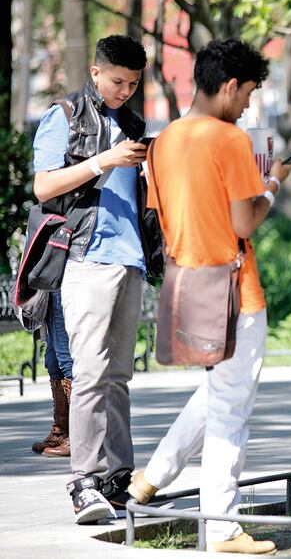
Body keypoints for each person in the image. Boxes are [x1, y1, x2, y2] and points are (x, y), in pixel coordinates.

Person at [124, 39, 291, 555]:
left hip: (187, 281)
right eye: (247, 93)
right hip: (234, 288)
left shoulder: (165, 140)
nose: (247, 105)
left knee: (220, 388)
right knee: (231, 409)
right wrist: (273, 186)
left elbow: (169, 212)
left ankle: (150, 478)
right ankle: (222, 527)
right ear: (227, 85)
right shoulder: (230, 139)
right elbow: (244, 222)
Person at [31, 35, 163, 524]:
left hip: (129, 259)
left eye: (132, 83)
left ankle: (117, 478)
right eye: (116, 81)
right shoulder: (65, 115)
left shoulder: (130, 122)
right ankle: (83, 481)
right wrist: (101, 161)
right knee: (89, 373)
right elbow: (44, 186)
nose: (124, 90)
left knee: (118, 376)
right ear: (94, 72)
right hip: (85, 257)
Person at [30, 292, 73, 458]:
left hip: (65, 282)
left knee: (66, 358)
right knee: (53, 361)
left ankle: (78, 437)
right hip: (51, 285)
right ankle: (61, 432)